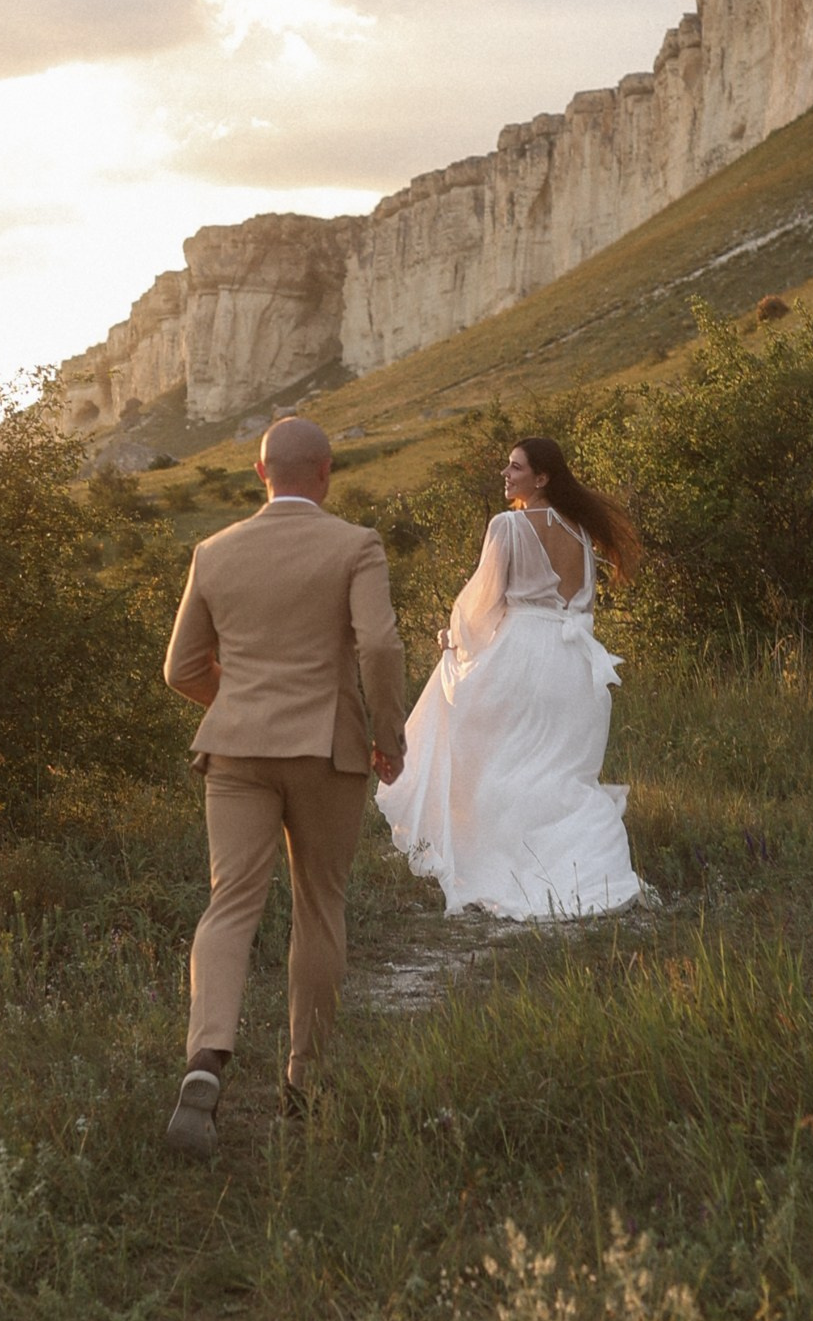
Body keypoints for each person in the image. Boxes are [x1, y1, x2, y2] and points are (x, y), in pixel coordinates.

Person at [159, 414, 407, 1158]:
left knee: (230, 902)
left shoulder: (214, 550)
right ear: (326, 473)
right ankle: (305, 1080)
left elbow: (180, 670)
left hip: (234, 751)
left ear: (261, 474)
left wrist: (237, 707)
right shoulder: (354, 544)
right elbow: (383, 645)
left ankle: (206, 1058)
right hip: (327, 750)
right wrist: (386, 737)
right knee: (318, 906)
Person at [376, 435, 641, 920]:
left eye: (515, 468)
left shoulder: (509, 526)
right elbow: (582, 602)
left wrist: (453, 640)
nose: (506, 473)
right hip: (575, 663)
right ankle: (585, 870)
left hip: (524, 654)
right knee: (560, 772)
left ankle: (504, 864)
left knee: (500, 758)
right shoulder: (582, 532)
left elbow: (483, 602)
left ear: (541, 478)